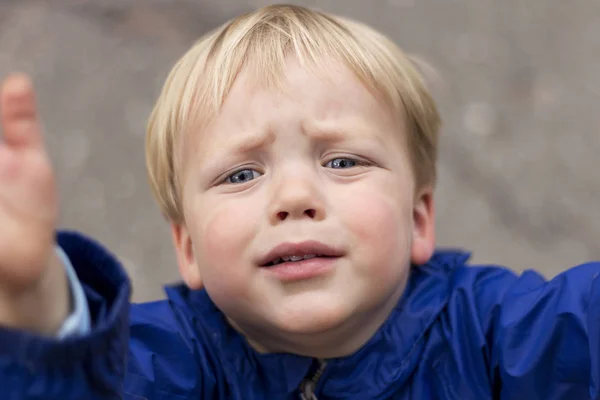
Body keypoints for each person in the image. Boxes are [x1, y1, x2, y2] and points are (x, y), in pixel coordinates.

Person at [0, 4, 598, 399]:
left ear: (419, 220)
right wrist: (33, 300)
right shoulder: (171, 363)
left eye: (342, 162)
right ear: (187, 247)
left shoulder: (494, 335)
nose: (293, 197)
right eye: (240, 175)